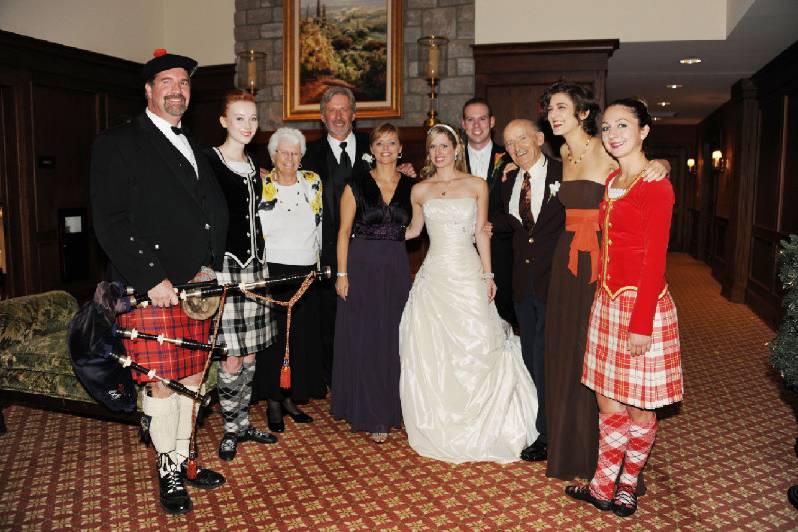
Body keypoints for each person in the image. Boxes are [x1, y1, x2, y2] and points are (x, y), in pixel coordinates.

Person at [90, 49, 228, 515]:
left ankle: (186, 459)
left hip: (196, 289)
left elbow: (207, 213)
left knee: (192, 377)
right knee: (162, 383)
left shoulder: (192, 141)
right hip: (153, 289)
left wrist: (212, 264)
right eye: (167, 82)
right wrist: (151, 279)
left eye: (184, 83)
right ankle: (167, 469)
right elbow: (110, 221)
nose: (177, 90)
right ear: (148, 90)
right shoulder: (119, 142)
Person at [541, 81, 670, 480]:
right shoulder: (561, 151)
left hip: (603, 263)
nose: (554, 115)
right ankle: (571, 449)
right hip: (567, 258)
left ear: (583, 113)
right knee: (570, 354)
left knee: (609, 369)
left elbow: (639, 177)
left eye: (562, 107)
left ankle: (615, 467)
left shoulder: (606, 147)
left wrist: (661, 164)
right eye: (549, 110)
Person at [565, 99, 683, 518]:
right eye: (607, 126)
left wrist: (642, 323)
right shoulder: (614, 177)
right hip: (607, 302)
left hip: (640, 307)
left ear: (644, 131)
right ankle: (602, 485)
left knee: (638, 403)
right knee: (607, 401)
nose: (613, 133)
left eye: (623, 125)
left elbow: (655, 260)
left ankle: (628, 485)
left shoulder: (656, 185)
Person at [399, 123, 538, 463]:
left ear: (456, 148)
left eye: (445, 145)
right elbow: (414, 230)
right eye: (433, 147)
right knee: (434, 348)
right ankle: (442, 415)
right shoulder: (419, 191)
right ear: (429, 152)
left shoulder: (476, 186)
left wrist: (488, 274)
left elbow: (481, 233)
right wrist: (377, 235)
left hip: (467, 271)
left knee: (478, 341)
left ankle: (485, 417)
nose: (439, 152)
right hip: (434, 276)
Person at [302, 87, 415, 387]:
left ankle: (372, 382)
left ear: (354, 114)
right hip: (326, 250)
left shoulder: (376, 144)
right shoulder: (307, 154)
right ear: (323, 116)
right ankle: (338, 382)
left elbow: (401, 187)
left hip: (374, 251)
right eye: (332, 110)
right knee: (330, 322)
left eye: (344, 110)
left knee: (378, 326)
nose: (338, 116)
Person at [203, 89, 277, 461]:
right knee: (230, 356)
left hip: (256, 267)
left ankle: (244, 421)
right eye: (239, 119)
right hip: (224, 269)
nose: (248, 126)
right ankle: (231, 428)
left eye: (253, 119)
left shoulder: (256, 168)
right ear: (223, 121)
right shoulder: (208, 163)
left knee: (249, 357)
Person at [331, 123, 413, 443]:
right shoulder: (356, 184)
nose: (386, 149)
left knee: (393, 337)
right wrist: (341, 274)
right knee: (367, 337)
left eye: (392, 143)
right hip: (361, 266)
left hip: (396, 266)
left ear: (400, 148)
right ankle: (372, 411)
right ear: (372, 149)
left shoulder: (411, 185)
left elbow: (421, 224)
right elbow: (342, 232)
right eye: (380, 143)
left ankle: (393, 406)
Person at [500, 118, 565, 464]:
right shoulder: (509, 179)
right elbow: (501, 223)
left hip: (557, 281)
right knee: (530, 356)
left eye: (522, 138)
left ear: (540, 138)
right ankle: (546, 422)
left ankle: (549, 432)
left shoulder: (564, 171)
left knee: (546, 356)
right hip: (523, 285)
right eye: (509, 143)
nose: (516, 147)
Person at [257, 127, 326, 434]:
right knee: (274, 340)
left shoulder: (313, 182)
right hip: (273, 269)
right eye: (283, 152)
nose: (289, 158)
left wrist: (320, 264)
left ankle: (289, 398)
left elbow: (320, 225)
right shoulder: (261, 184)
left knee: (299, 337)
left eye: (295, 152)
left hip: (306, 269)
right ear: (273, 156)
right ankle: (273, 400)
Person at [461, 97, 516, 327]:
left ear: (492, 121)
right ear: (463, 124)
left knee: (502, 321)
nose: (476, 125)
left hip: (501, 251)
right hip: (462, 253)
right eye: (470, 120)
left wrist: (493, 224)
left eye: (482, 119)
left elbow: (521, 207)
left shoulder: (511, 158)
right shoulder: (450, 159)